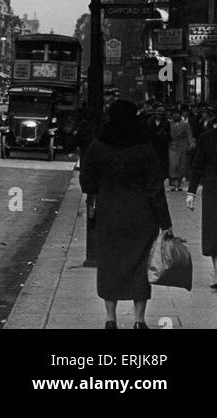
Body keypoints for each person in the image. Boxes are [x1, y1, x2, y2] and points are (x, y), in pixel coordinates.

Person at [80, 99, 174, 328]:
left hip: (109, 213)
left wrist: (101, 188)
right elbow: (155, 187)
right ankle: (139, 320)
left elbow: (86, 181)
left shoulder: (99, 145)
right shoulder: (144, 146)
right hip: (141, 216)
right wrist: (165, 222)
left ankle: (110, 319)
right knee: (140, 265)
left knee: (110, 264)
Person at [186, 109, 217, 289]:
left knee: (214, 231)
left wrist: (191, 192)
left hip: (213, 189)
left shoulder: (207, 137)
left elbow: (197, 166)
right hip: (213, 189)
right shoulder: (207, 137)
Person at [167, 108, 194, 191]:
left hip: (182, 146)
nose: (175, 115)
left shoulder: (185, 124)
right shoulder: (169, 123)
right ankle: (174, 182)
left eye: (177, 114)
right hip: (172, 146)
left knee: (181, 165)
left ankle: (178, 183)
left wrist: (191, 143)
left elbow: (189, 134)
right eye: (174, 114)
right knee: (173, 165)